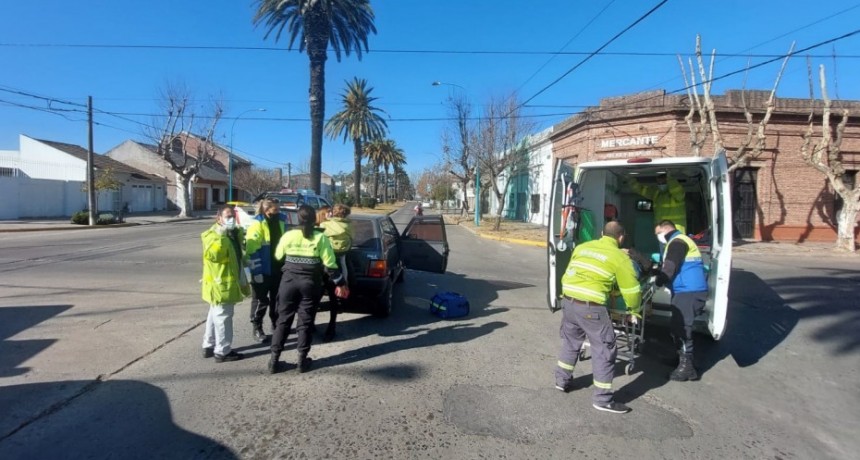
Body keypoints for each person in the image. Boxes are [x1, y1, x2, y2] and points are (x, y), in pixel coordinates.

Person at [554, 221, 642, 414]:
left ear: (602, 233)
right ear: (621, 237)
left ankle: (562, 380)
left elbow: (571, 271)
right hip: (591, 307)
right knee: (604, 348)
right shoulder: (619, 257)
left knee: (570, 342)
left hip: (568, 302)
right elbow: (632, 290)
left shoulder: (582, 247)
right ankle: (602, 400)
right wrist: (633, 311)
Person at [268, 205, 348, 374]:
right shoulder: (320, 237)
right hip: (310, 282)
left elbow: (277, 256)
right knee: (305, 322)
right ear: (314, 219)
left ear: (298, 218)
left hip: (288, 280)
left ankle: (274, 361)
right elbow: (330, 265)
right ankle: (301, 361)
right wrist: (340, 283)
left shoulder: (288, 235)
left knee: (283, 320)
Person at [652, 220, 709, 381]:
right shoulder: (679, 240)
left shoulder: (677, 242)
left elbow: (670, 266)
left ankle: (687, 368)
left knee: (682, 328)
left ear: (664, 229)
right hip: (686, 290)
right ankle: (680, 360)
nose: (658, 237)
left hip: (689, 290)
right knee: (677, 326)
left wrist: (659, 281)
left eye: (657, 233)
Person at [201, 205, 250, 363]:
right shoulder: (212, 235)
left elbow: (237, 252)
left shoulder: (234, 233)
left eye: (232, 216)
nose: (230, 219)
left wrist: (245, 261)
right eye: (227, 216)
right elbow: (213, 255)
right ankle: (223, 351)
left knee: (214, 314)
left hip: (226, 282)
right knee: (223, 317)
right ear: (219, 218)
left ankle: (209, 345)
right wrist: (221, 237)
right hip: (220, 283)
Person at [245, 199, 286, 343]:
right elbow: (252, 250)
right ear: (267, 210)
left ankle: (275, 324)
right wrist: (256, 272)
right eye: (275, 210)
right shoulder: (257, 224)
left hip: (278, 268)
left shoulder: (281, 220)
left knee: (277, 299)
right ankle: (257, 327)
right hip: (262, 269)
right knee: (260, 301)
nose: (278, 212)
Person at [319, 203, 353, 342]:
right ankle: (344, 287)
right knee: (344, 270)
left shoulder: (325, 224)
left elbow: (320, 239)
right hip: (340, 257)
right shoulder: (348, 226)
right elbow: (352, 239)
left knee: (315, 295)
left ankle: (309, 324)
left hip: (324, 261)